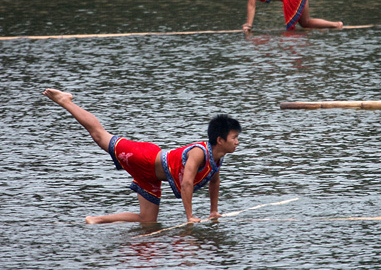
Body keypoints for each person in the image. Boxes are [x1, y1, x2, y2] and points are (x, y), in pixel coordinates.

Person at [42, 88, 241, 224]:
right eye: (234, 137)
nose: (237, 141)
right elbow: (187, 183)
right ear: (220, 140)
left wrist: (213, 211)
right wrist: (189, 216)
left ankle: (96, 220)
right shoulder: (199, 153)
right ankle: (65, 101)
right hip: (143, 157)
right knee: (100, 136)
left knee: (147, 221)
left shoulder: (216, 158)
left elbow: (214, 181)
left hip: (151, 176)